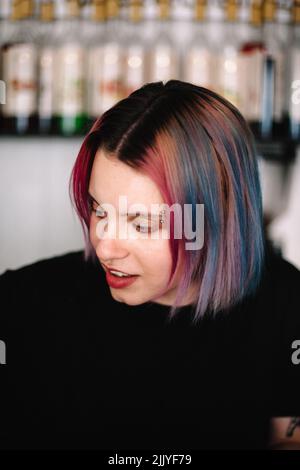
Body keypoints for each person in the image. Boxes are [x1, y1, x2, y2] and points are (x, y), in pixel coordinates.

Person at [0, 80, 300, 450]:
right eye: (98, 209)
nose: (104, 247)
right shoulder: (25, 303)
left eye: (141, 224)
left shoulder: (285, 307)